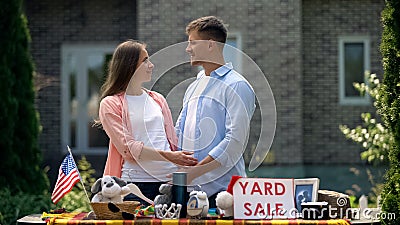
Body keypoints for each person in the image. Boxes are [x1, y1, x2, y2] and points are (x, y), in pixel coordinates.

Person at [96, 40, 198, 205]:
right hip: (135, 185)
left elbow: (172, 141)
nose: (151, 65)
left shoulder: (158, 99)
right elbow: (128, 148)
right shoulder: (110, 104)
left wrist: (181, 166)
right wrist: (170, 156)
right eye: (145, 61)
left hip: (169, 182)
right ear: (129, 65)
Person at [175, 16, 256, 208]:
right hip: (187, 191)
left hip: (223, 196)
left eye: (192, 43)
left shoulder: (237, 86)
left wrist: (196, 172)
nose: (188, 49)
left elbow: (235, 141)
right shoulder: (195, 86)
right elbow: (180, 129)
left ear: (210, 44)